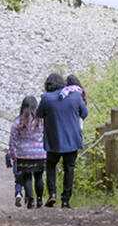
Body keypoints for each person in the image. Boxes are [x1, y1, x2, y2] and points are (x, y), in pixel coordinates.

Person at [36, 73, 88, 209]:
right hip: (72, 140)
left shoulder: (46, 98)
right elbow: (85, 113)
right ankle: (65, 200)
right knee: (69, 169)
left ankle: (52, 193)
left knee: (51, 166)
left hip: (54, 140)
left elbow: (39, 114)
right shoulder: (76, 96)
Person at [9, 95, 46, 209]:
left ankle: (30, 200)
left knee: (27, 177)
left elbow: (12, 140)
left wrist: (13, 155)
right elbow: (48, 135)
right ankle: (39, 200)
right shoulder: (41, 120)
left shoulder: (18, 122)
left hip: (23, 154)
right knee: (39, 177)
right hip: (40, 153)